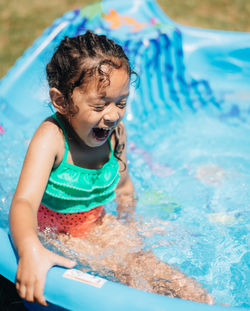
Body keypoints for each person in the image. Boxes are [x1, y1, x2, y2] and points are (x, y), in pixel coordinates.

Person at [9, 31, 213, 306]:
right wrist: (30, 248)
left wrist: (132, 224)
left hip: (97, 221)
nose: (114, 114)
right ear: (61, 101)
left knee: (168, 278)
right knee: (129, 279)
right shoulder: (52, 138)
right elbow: (23, 202)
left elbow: (125, 186)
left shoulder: (115, 134)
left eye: (121, 102)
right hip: (56, 233)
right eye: (99, 104)